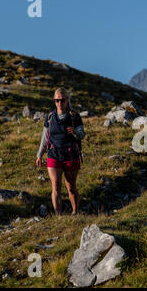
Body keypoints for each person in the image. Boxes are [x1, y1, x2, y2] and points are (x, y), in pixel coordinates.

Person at [36, 87, 85, 215]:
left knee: (71, 187)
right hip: (53, 154)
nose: (59, 103)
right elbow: (45, 138)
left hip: (71, 155)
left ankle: (75, 212)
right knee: (56, 186)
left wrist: (75, 132)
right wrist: (39, 155)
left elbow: (82, 134)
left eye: (62, 100)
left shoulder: (74, 116)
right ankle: (58, 216)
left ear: (67, 100)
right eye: (57, 100)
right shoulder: (49, 117)